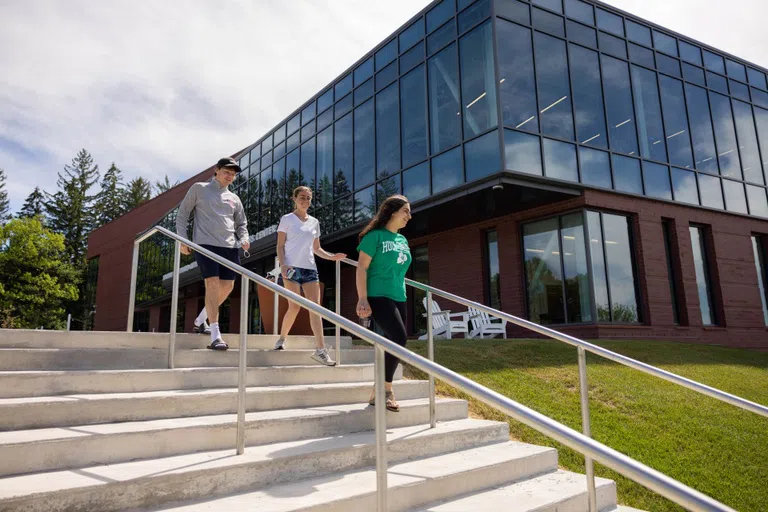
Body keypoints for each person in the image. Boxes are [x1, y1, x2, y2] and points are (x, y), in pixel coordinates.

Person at [176, 157, 250, 351]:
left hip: (229, 246)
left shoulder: (234, 198)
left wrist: (243, 238)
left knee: (228, 286)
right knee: (212, 283)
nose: (230, 176)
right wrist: (182, 240)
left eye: (233, 174)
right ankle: (215, 335)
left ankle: (201, 319)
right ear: (216, 171)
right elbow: (183, 214)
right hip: (205, 244)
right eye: (227, 172)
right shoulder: (199, 189)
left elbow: (242, 224)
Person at [273, 186, 346, 366]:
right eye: (302, 197)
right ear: (294, 199)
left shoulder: (314, 222)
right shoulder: (287, 219)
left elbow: (316, 248)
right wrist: (283, 265)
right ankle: (282, 338)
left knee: (316, 309)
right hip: (290, 268)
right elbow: (280, 245)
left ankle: (320, 351)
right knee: (295, 307)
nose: (305, 200)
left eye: (308, 198)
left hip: (309, 269)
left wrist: (331, 257)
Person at [355, 195, 412, 412]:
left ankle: (377, 391)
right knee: (399, 338)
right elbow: (361, 268)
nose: (409, 216)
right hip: (378, 295)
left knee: (394, 341)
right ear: (392, 212)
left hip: (400, 296)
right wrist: (362, 298)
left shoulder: (402, 240)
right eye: (405, 211)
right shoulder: (374, 237)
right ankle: (386, 390)